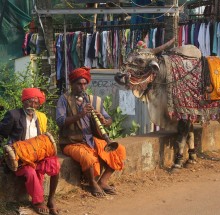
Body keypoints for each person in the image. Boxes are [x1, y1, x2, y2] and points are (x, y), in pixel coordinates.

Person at [56, 67, 126, 198]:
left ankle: (103, 182)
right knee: (88, 158)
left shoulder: (94, 100)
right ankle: (92, 184)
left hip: (90, 139)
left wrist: (104, 121)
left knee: (119, 150)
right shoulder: (64, 99)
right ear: (72, 84)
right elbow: (60, 121)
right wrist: (80, 114)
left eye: (84, 84)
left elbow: (109, 119)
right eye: (79, 84)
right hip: (71, 142)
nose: (82, 87)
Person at [0, 88, 60, 215]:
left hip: (37, 155)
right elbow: (1, 133)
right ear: (23, 101)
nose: (32, 105)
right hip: (19, 158)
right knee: (30, 171)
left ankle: (51, 199)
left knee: (55, 165)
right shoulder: (13, 115)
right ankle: (38, 202)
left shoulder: (39, 118)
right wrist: (6, 153)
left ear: (38, 105)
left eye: (35, 103)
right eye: (29, 102)